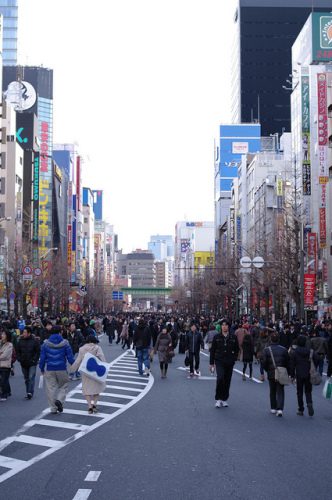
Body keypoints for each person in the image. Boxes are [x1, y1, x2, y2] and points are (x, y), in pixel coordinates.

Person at [39, 326, 75, 414]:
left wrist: (42, 368)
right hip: (62, 368)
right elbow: (70, 358)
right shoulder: (65, 343)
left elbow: (42, 358)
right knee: (64, 386)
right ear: (60, 332)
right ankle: (59, 400)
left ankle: (53, 408)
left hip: (50, 368)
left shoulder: (45, 344)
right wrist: (75, 366)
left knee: (50, 388)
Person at [69, 335, 106, 414]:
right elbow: (102, 357)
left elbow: (78, 360)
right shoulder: (97, 348)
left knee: (86, 389)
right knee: (97, 389)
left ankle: (89, 406)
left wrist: (72, 369)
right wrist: (105, 366)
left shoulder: (82, 349)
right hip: (96, 371)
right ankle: (94, 405)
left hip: (86, 371)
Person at [210, 320, 239, 408]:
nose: (224, 326)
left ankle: (224, 399)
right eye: (222, 325)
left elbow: (237, 349)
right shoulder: (217, 337)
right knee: (220, 378)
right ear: (221, 327)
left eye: (226, 325)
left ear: (228, 327)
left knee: (227, 380)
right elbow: (212, 351)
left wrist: (234, 359)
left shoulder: (233, 337)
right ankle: (218, 399)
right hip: (219, 361)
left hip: (229, 362)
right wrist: (211, 363)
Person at [261, 332, 290, 417]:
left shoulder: (266, 350)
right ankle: (280, 409)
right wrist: (287, 370)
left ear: (271, 339)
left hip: (271, 372)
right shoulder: (284, 349)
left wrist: (267, 370)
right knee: (280, 390)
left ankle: (273, 408)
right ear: (278, 340)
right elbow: (287, 361)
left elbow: (264, 362)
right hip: (281, 371)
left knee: (272, 390)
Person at [289, 335, 318, 417]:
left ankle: (301, 409)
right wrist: (313, 367)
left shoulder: (295, 352)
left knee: (299, 392)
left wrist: (292, 375)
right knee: (308, 391)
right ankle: (309, 403)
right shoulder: (310, 351)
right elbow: (317, 359)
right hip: (308, 373)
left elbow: (292, 364)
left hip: (299, 373)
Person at [16, 326, 40, 399]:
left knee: (31, 377)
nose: (23, 334)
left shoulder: (35, 341)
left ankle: (30, 392)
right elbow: (18, 351)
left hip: (32, 363)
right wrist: (19, 359)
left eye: (25, 332)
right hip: (23, 362)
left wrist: (34, 360)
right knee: (26, 378)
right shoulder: (20, 340)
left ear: (29, 333)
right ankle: (28, 392)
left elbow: (38, 351)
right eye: (23, 332)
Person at [0, 330, 13, 401]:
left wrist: (1, 353)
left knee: (3, 380)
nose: (2, 335)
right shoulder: (0, 343)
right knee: (4, 380)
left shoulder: (9, 345)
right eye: (2, 334)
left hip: (5, 365)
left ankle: (4, 394)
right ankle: (8, 391)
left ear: (7, 336)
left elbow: (5, 356)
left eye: (4, 334)